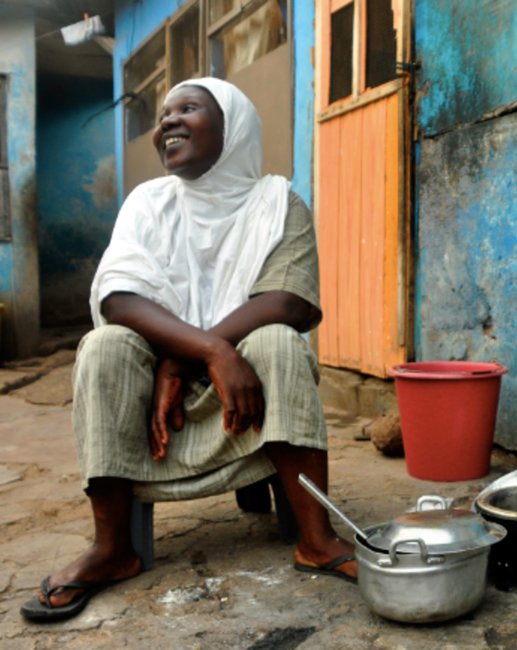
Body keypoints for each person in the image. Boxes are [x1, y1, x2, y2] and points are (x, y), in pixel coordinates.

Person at [20, 78, 357, 623]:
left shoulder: (277, 202)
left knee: (276, 339)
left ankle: (316, 539)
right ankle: (113, 549)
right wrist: (208, 352)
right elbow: (120, 298)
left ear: (233, 128)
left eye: (189, 108)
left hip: (246, 395)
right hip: (152, 397)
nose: (168, 122)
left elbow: (290, 300)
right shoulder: (147, 203)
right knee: (104, 346)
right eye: (164, 114)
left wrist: (190, 358)